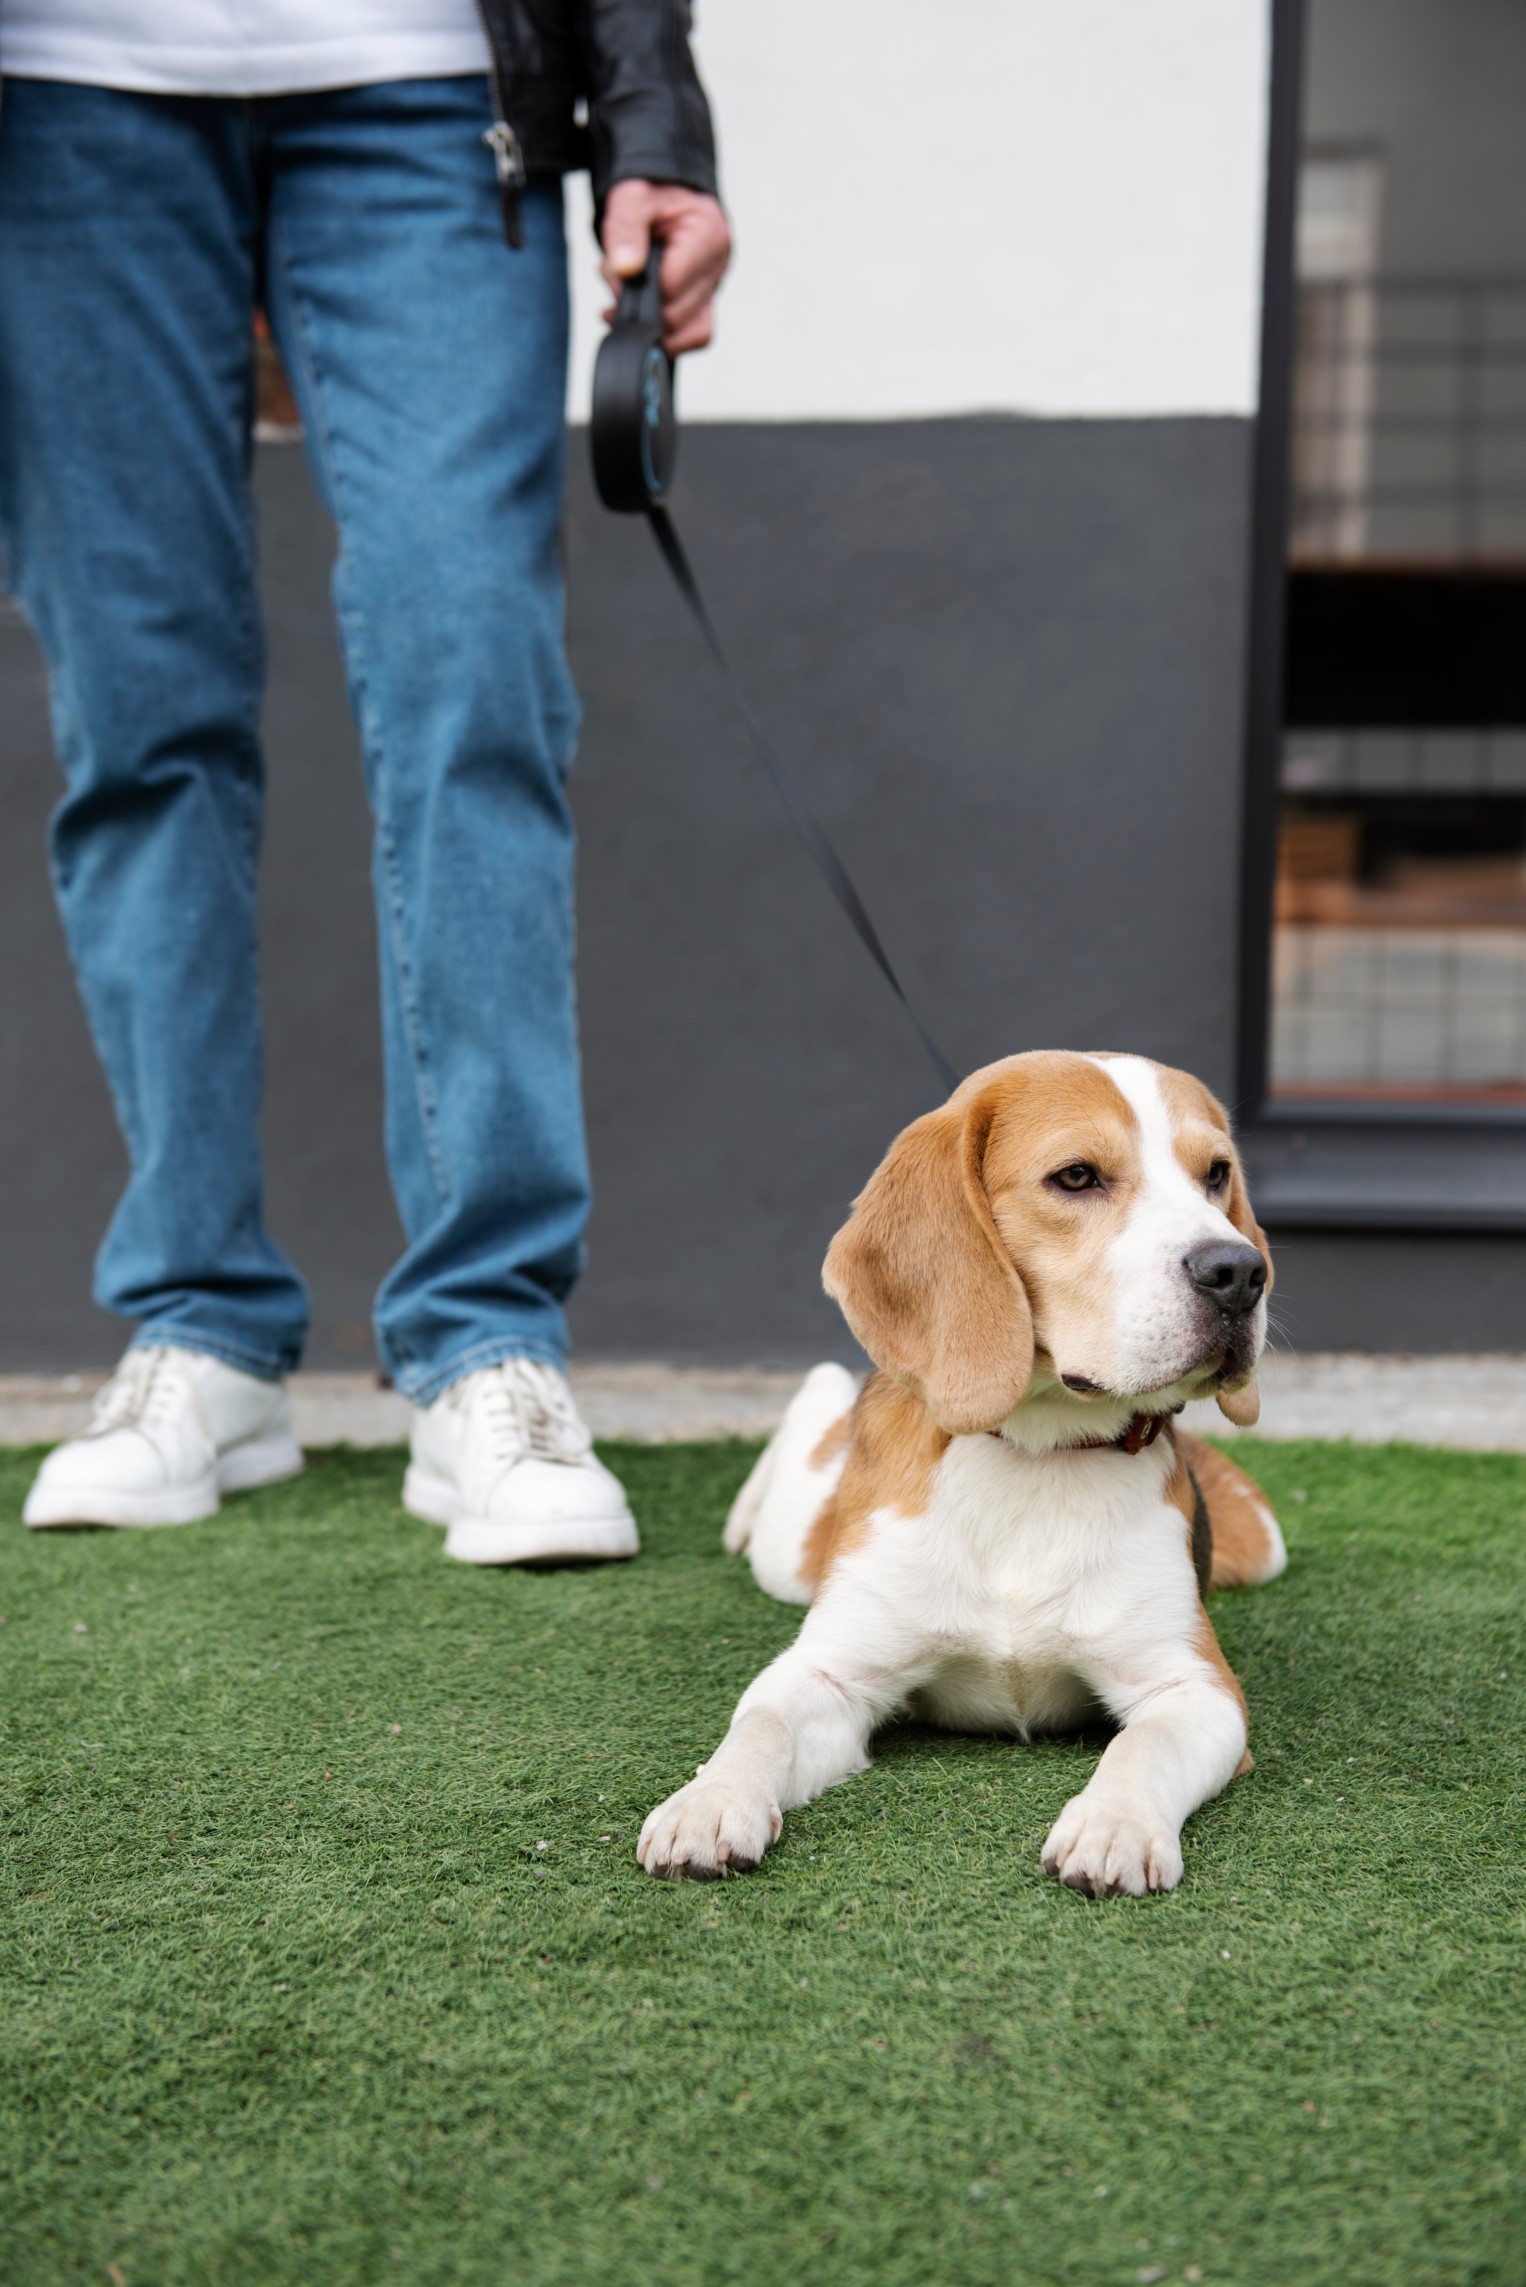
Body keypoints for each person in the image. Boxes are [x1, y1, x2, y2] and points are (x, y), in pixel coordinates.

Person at [0, 2, 730, 1563]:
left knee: (473, 676)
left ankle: (487, 1338)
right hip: (59, 99)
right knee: (137, 713)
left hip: (430, 88)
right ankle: (201, 1325)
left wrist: (654, 128)